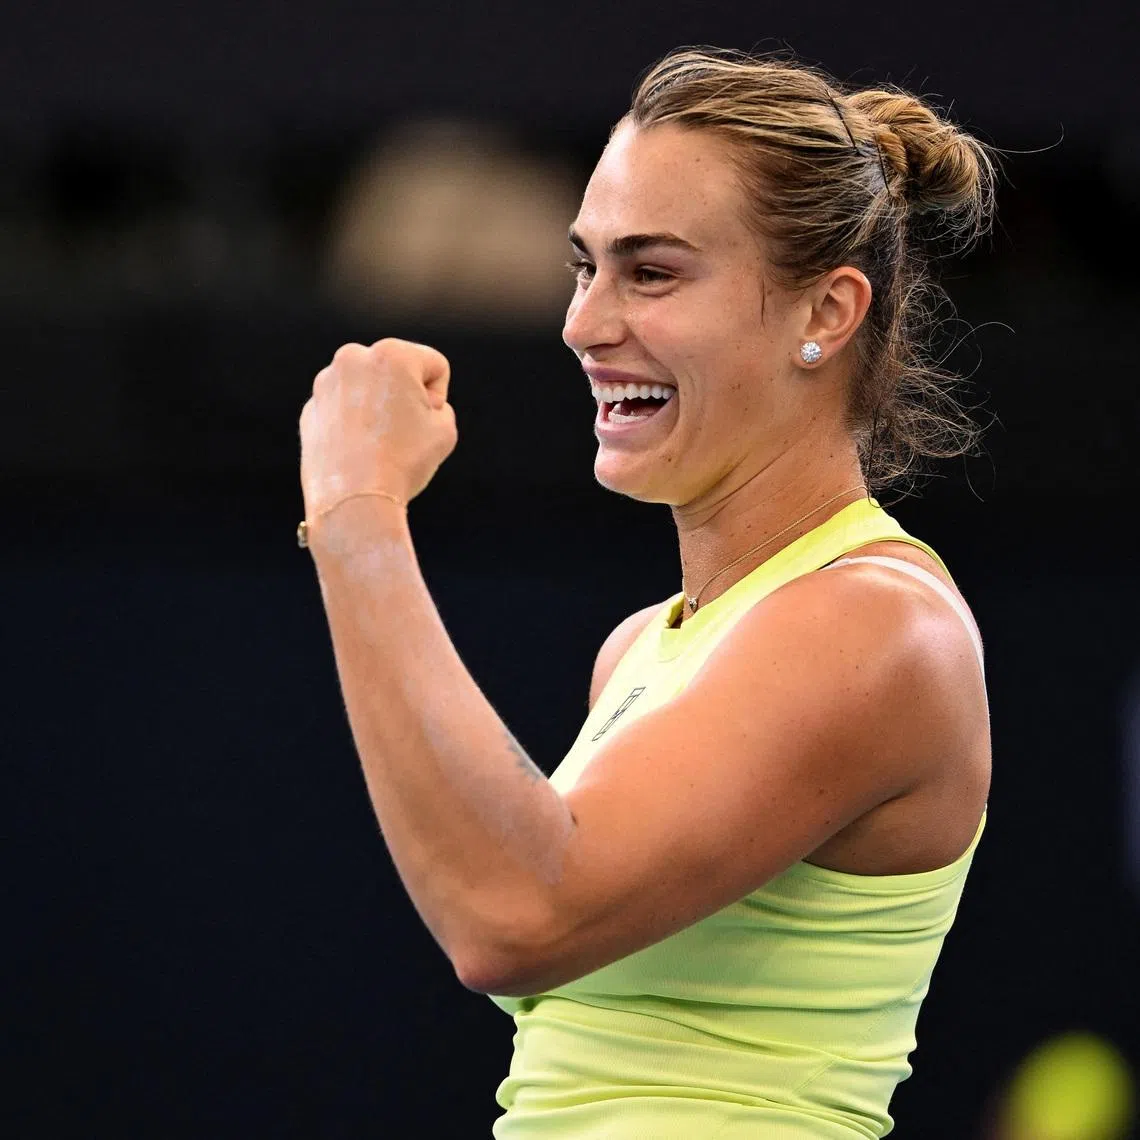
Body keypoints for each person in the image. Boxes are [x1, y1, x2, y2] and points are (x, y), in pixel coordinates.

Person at [296, 46, 994, 1139]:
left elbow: (513, 916)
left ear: (828, 310)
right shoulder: (638, 652)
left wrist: (357, 513)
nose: (583, 322)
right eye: (584, 267)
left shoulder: (877, 626)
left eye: (652, 272)